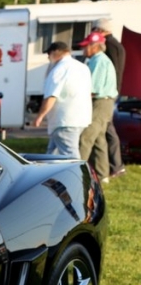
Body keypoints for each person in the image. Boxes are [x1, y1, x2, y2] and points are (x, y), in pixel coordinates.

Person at [33, 41, 93, 158]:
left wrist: (40, 116)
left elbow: (51, 96)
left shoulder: (59, 69)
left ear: (56, 52)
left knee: (70, 155)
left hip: (64, 120)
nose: (48, 57)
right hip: (81, 118)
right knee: (52, 153)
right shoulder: (83, 67)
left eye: (49, 54)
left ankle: (78, 171)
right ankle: (48, 169)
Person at [78, 31, 118, 182]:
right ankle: (102, 174)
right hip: (105, 102)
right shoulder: (101, 60)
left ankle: (78, 172)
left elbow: (93, 87)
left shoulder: (98, 61)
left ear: (94, 46)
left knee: (86, 137)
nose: (83, 49)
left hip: (100, 102)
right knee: (99, 139)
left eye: (86, 46)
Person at [96, 18, 127, 177]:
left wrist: (108, 90)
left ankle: (116, 165)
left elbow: (112, 72)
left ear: (101, 30)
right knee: (107, 128)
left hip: (108, 94)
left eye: (95, 29)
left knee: (107, 128)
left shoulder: (110, 45)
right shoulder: (116, 44)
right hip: (112, 92)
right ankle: (114, 164)